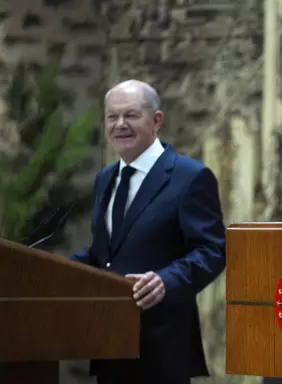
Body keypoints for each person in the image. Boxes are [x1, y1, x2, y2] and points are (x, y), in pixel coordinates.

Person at [69, 79, 226, 384]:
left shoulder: (190, 177)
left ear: (156, 120)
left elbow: (213, 250)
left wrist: (166, 281)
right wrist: (52, 270)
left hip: (162, 350)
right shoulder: (105, 178)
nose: (120, 124)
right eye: (112, 117)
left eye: (131, 115)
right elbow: (106, 253)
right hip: (110, 343)